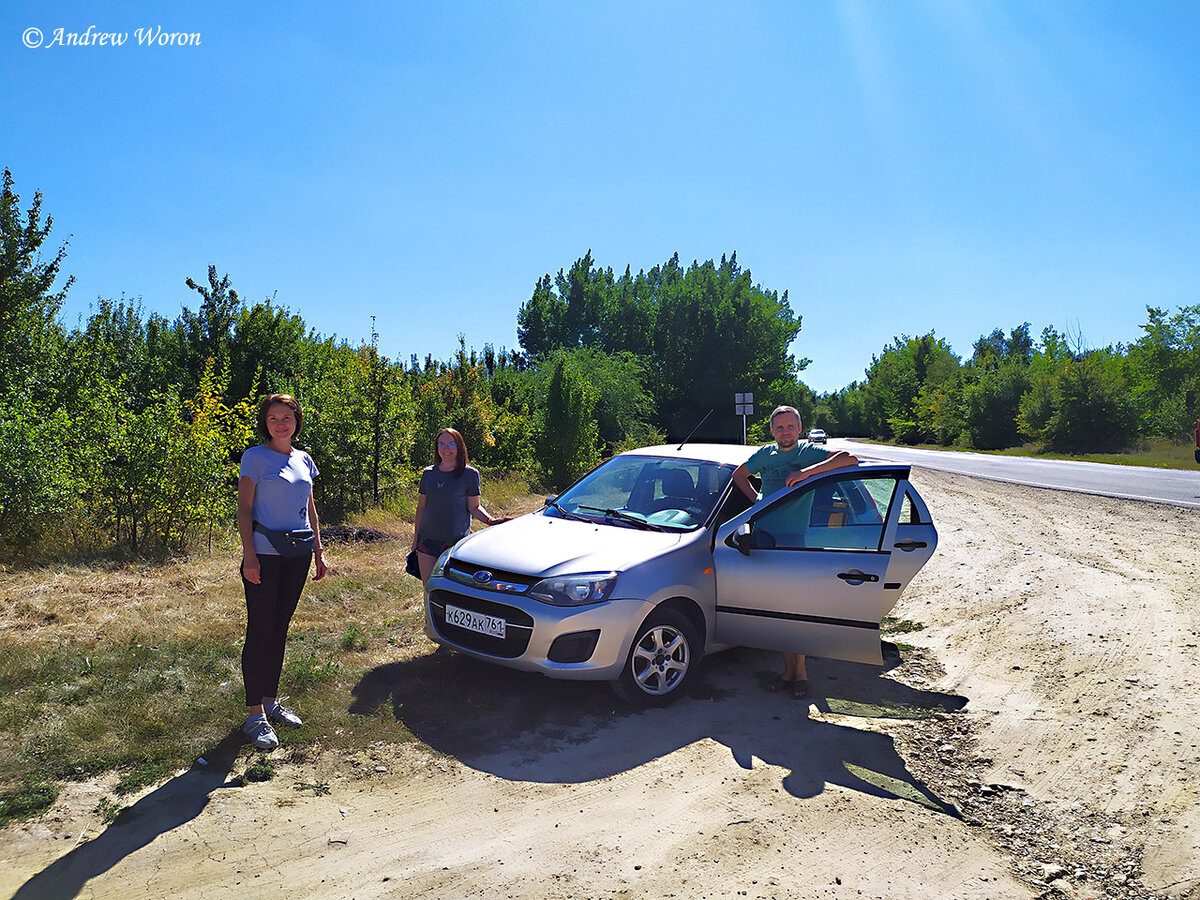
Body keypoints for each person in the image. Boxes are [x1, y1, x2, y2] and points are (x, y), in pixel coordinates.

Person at [731, 406, 858, 700]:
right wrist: (758, 502)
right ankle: (787, 673)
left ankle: (801, 674)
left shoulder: (808, 452)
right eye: (779, 427)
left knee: (794, 609)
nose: (785, 432)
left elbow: (849, 459)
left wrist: (806, 473)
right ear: (772, 430)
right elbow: (740, 475)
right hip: (763, 536)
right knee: (777, 610)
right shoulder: (765, 454)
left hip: (793, 539)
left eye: (790, 427)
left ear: (799, 429)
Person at [237, 394, 327, 751]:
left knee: (279, 628)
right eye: (273, 417)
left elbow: (310, 508)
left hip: (298, 554)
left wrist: (319, 551)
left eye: (286, 417)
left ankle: (271, 701)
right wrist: (250, 556)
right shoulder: (254, 457)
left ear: (296, 421)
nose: (280, 423)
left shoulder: (304, 459)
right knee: (260, 629)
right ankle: (254, 715)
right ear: (265, 422)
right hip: (265, 554)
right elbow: (244, 510)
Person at [411, 427, 510, 582]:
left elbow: (474, 507)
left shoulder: (470, 474)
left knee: (452, 587)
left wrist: (490, 521)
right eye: (441, 444)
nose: (446, 449)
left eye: (451, 444)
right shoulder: (428, 473)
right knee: (429, 586)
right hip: (426, 541)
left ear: (459, 446)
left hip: (455, 542)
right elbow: (421, 508)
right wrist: (416, 539)